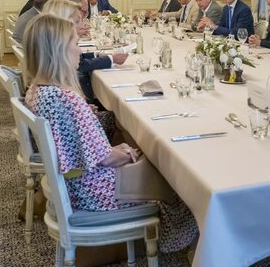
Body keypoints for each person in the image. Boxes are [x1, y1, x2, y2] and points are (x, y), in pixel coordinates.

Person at [23, 14, 197, 254]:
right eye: (75, 44)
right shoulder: (67, 98)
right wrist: (125, 152)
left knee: (138, 144)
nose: (79, 50)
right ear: (59, 50)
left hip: (73, 184)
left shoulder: (37, 90)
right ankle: (184, 242)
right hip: (95, 191)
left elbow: (86, 150)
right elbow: (104, 159)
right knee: (179, 175)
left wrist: (117, 149)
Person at [42, 0, 128, 103]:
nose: (83, 24)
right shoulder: (63, 93)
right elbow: (81, 64)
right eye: (78, 21)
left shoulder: (46, 80)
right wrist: (110, 59)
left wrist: (97, 54)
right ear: (63, 22)